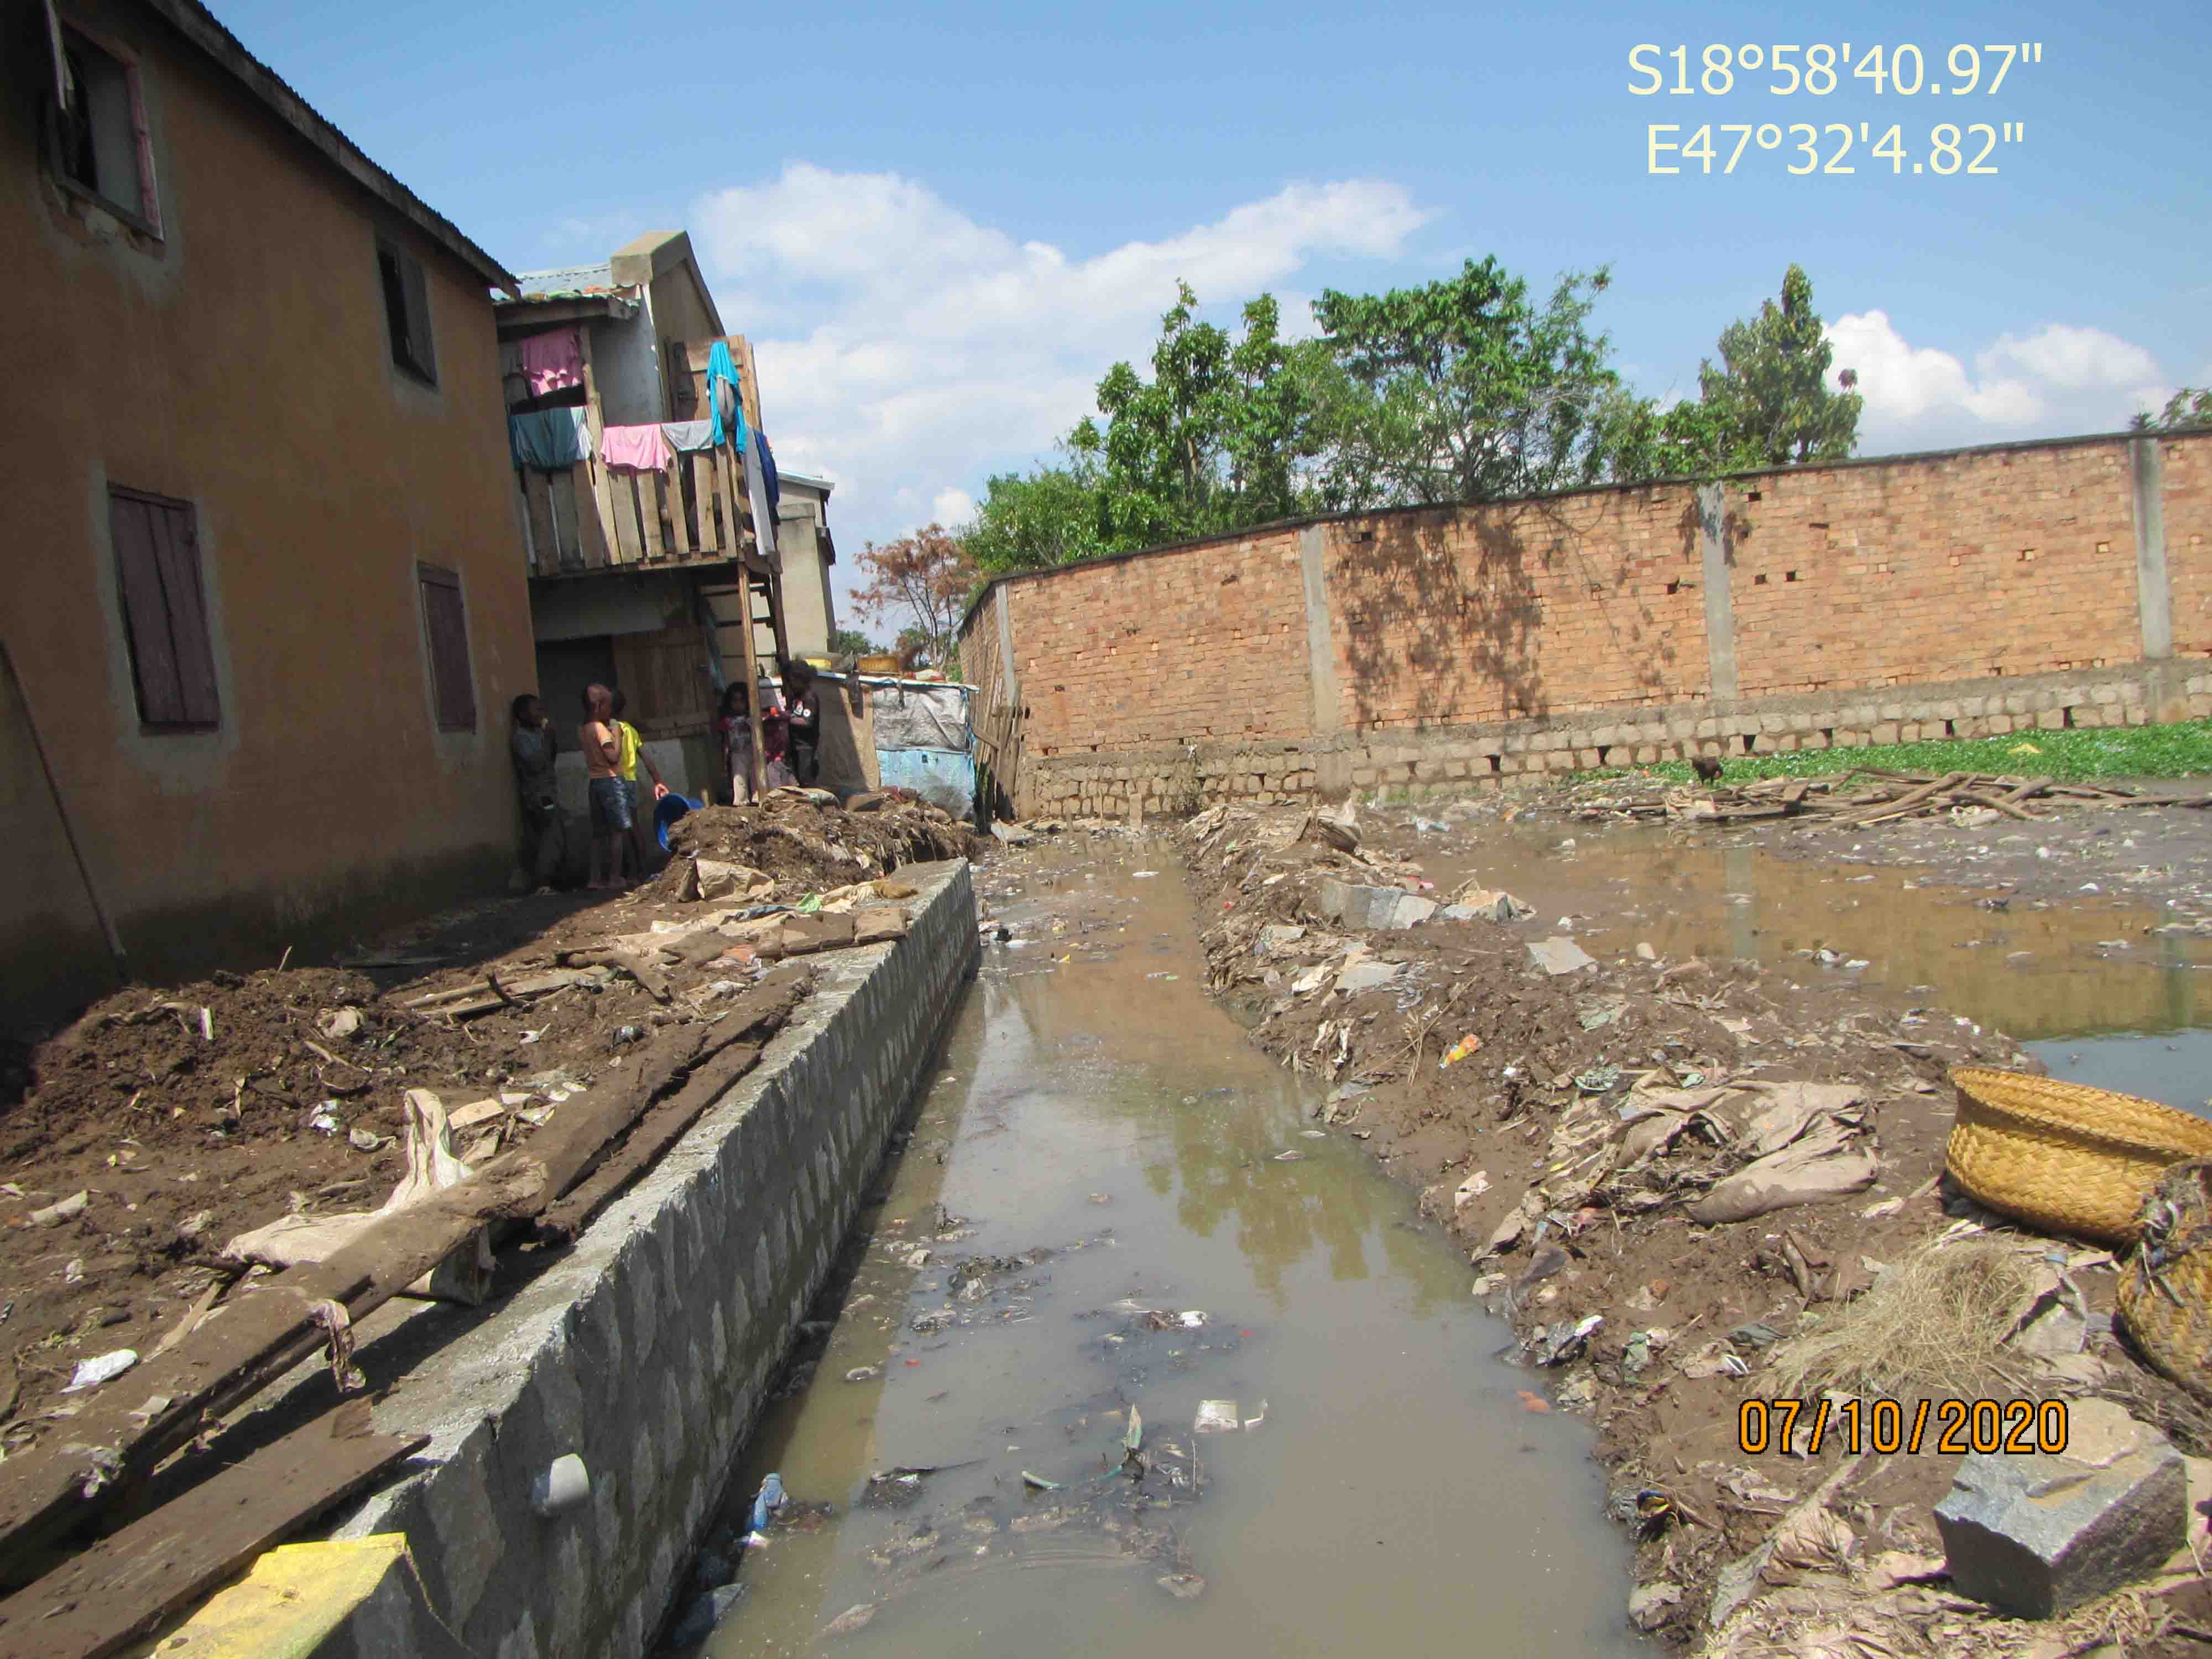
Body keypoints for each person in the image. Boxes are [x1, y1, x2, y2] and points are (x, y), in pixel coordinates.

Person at [508, 693, 565, 890]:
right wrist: (547, 741)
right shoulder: (521, 738)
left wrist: (551, 739)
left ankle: (545, 879)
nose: (541, 714)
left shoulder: (538, 735)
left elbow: (550, 759)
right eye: (536, 710)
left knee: (549, 832)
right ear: (523, 714)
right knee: (551, 832)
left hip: (547, 791)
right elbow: (535, 765)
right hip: (541, 796)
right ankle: (543, 881)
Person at [609, 688, 669, 873]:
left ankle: (633, 871)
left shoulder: (610, 730)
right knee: (634, 825)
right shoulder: (631, 730)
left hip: (617, 782)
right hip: (631, 782)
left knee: (622, 830)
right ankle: (642, 868)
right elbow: (646, 757)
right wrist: (657, 780)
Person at [579, 684, 631, 889]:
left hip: (595, 782)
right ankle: (615, 877)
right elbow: (613, 757)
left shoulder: (584, 730)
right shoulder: (601, 729)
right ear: (599, 706)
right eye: (610, 705)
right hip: (611, 781)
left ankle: (595, 879)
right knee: (617, 831)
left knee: (598, 835)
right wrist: (618, 735)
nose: (612, 710)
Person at [780, 660, 822, 787]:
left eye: (793, 680)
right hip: (796, 745)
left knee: (806, 778)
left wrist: (786, 718)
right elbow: (796, 714)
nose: (791, 683)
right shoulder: (797, 696)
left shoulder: (809, 698)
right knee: (797, 777)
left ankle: (816, 803)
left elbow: (806, 721)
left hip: (806, 746)